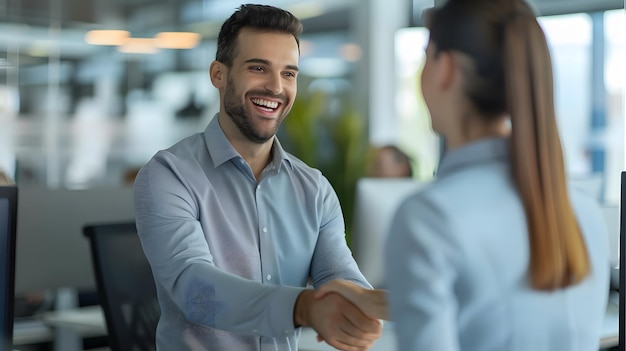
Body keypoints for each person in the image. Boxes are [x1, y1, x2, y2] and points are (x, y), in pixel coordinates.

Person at [318, 0, 611, 350]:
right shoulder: (582, 210)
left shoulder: (430, 218)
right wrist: (370, 299)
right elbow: (498, 306)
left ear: (446, 69)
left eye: (426, 56)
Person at [133, 4, 382, 351]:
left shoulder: (314, 189)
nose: (276, 87)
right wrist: (303, 307)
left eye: (289, 73)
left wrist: (365, 304)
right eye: (258, 68)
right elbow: (195, 291)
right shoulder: (168, 175)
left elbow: (339, 275)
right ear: (219, 74)